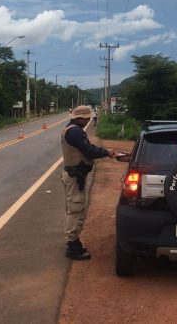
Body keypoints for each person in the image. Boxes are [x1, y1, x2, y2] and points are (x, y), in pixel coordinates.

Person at [61, 105, 116, 260]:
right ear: (80, 118)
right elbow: (89, 151)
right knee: (76, 210)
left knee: (74, 209)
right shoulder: (75, 132)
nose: (88, 119)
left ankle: (73, 241)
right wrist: (106, 152)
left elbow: (87, 148)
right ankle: (72, 245)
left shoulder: (70, 129)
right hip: (75, 176)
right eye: (86, 117)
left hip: (73, 175)